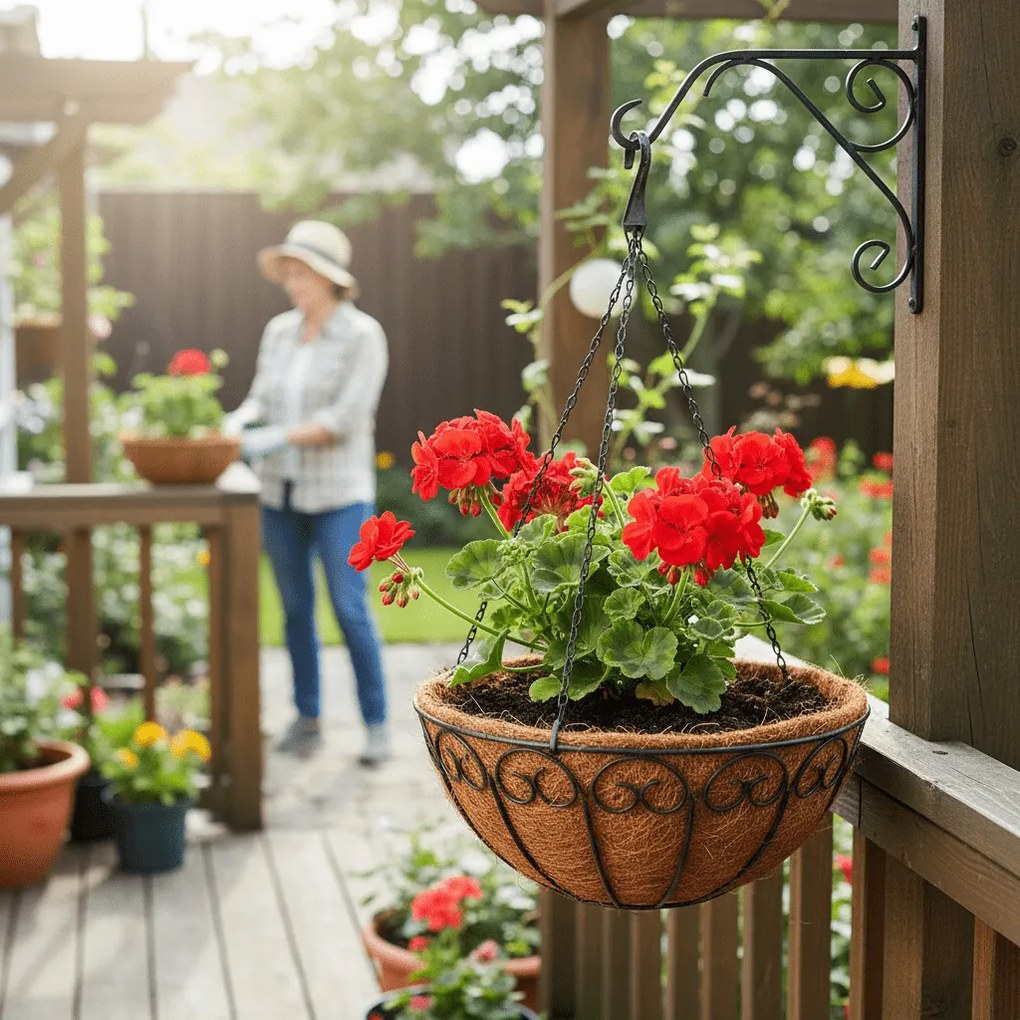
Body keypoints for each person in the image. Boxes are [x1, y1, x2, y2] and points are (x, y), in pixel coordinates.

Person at [225, 220, 390, 764]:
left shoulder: (362, 335)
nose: (293, 284)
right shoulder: (279, 332)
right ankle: (307, 716)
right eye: (288, 274)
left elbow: (344, 418)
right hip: (281, 495)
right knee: (295, 609)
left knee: (349, 606)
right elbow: (259, 399)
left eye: (302, 273)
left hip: (341, 494)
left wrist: (273, 438)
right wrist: (238, 422)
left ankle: (376, 724)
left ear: (328, 277)